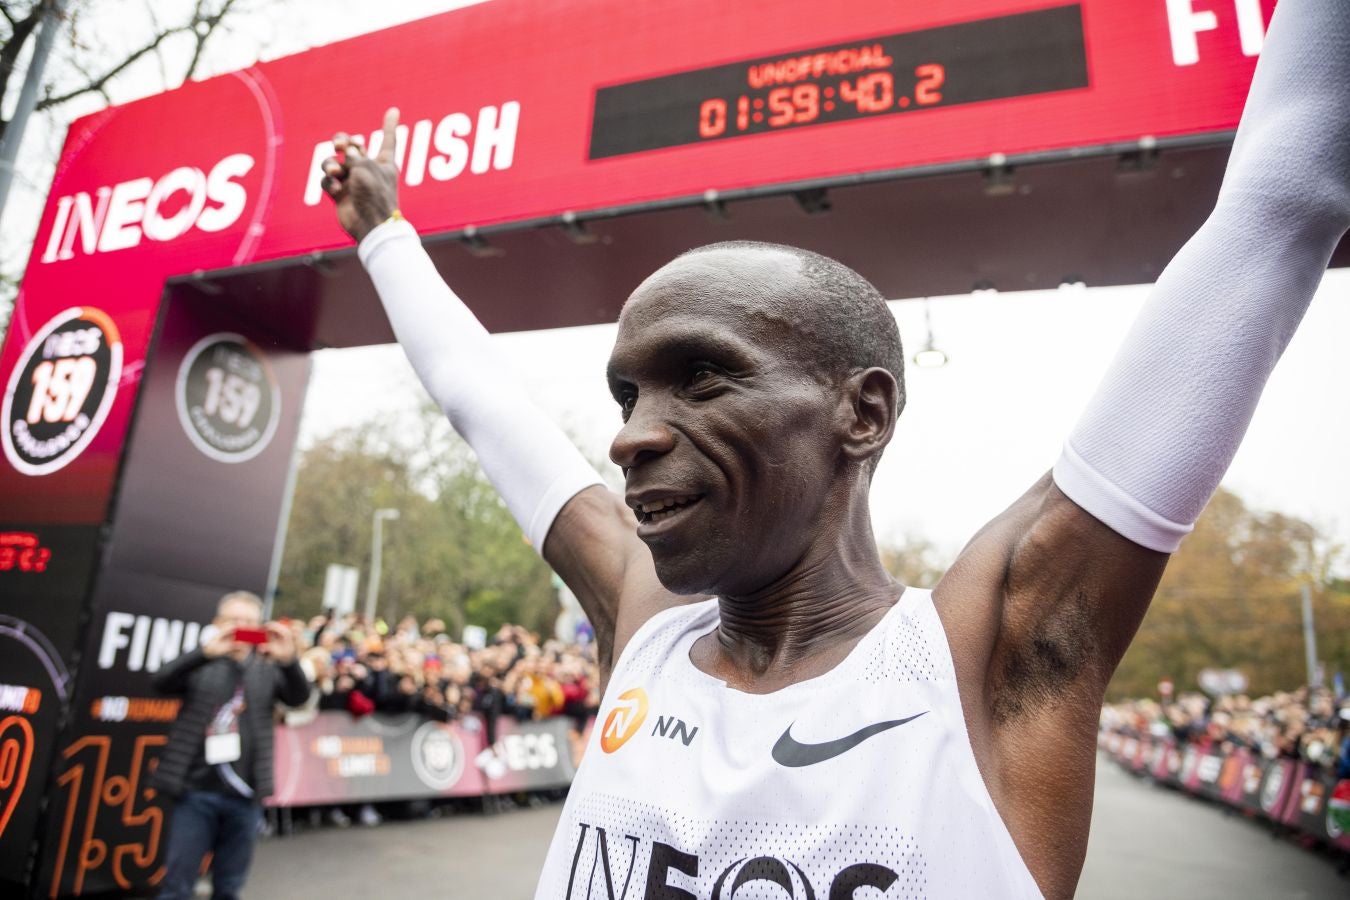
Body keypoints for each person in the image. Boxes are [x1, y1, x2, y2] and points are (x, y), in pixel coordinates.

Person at [318, 0, 1348, 895]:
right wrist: (384, 234)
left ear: (863, 413)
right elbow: (483, 402)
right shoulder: (645, 628)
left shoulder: (988, 658)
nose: (630, 437)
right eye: (627, 394)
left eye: (701, 377)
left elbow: (1280, 206)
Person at [150, 591, 309, 900]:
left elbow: (298, 698)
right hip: (195, 791)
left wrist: (289, 661)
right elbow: (161, 682)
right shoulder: (202, 662)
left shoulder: (267, 667)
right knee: (177, 886)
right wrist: (204, 653)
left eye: (249, 622)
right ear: (217, 623)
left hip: (245, 795)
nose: (242, 628)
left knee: (229, 887)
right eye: (234, 621)